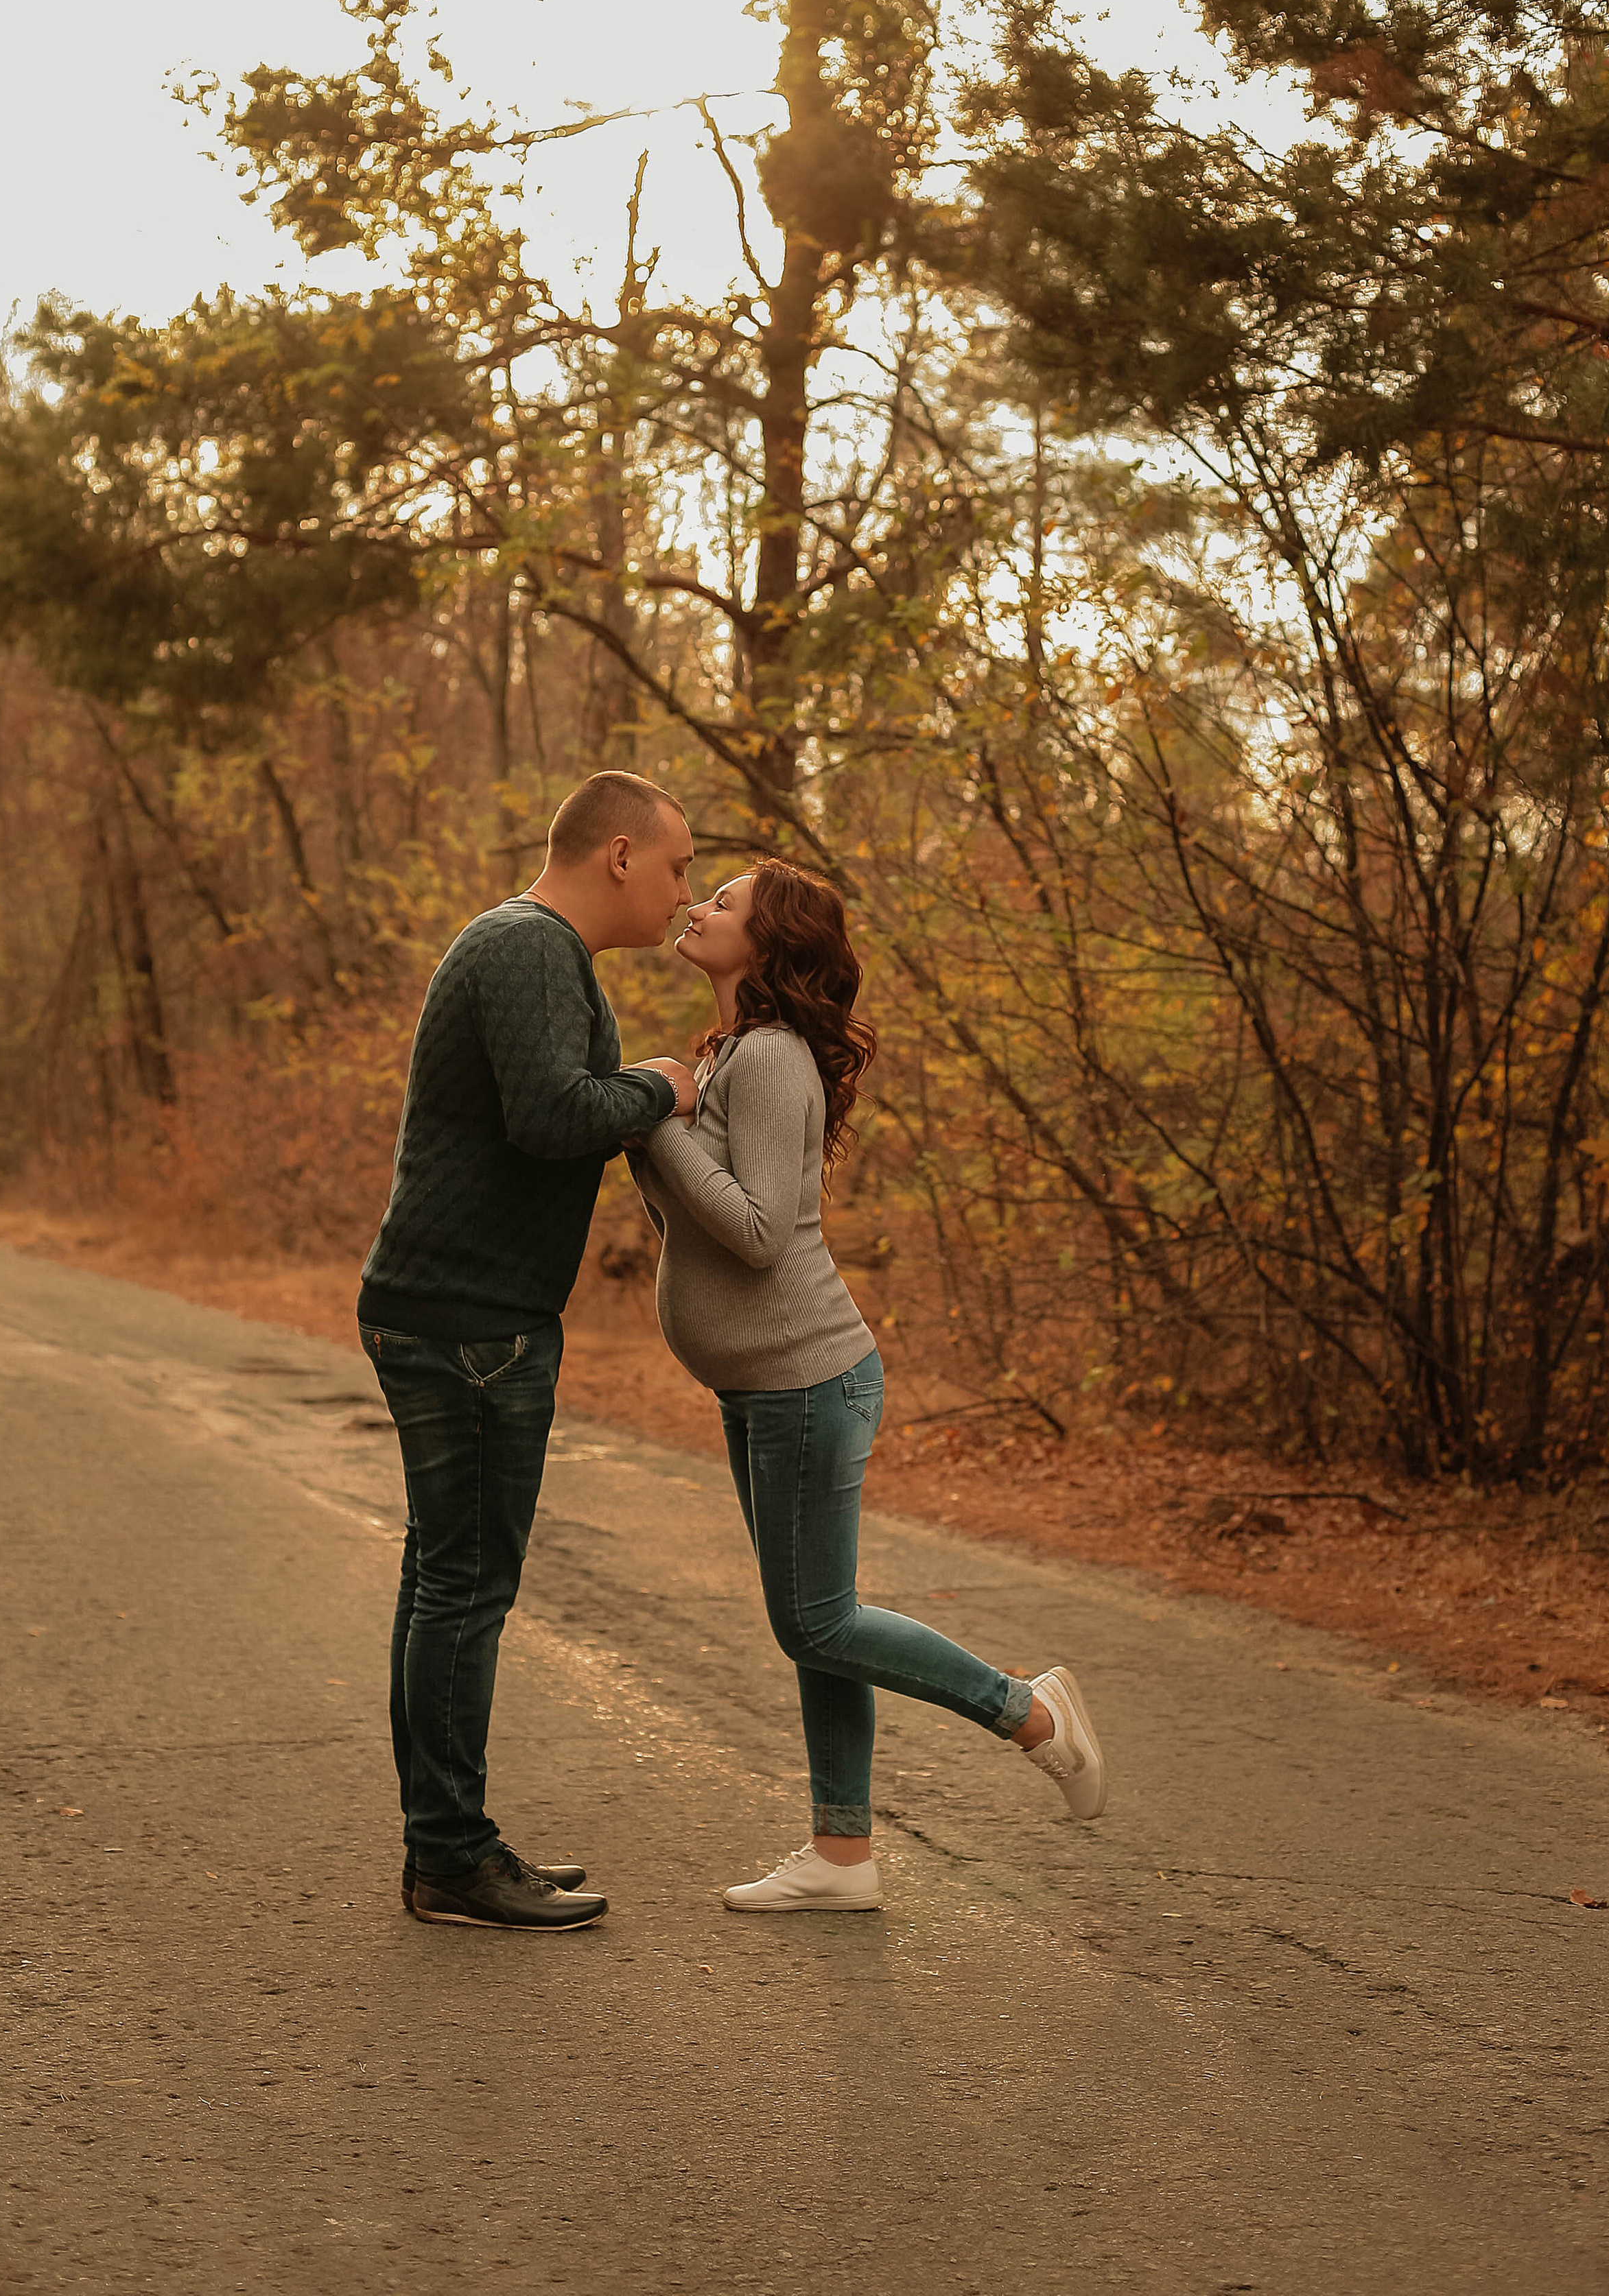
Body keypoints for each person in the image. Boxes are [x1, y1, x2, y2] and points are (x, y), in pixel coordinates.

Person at [628, 859, 1107, 1913]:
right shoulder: (730, 1053)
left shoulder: (768, 1059)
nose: (697, 906)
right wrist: (662, 1113)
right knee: (819, 1622)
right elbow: (686, 1228)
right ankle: (843, 1857)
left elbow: (759, 1235)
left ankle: (1031, 1713)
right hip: (766, 1386)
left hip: (806, 1380)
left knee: (816, 1621)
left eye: (723, 903)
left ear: (767, 943)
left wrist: (654, 1116)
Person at [357, 770, 699, 1930]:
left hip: (459, 1310)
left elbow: (546, 1107)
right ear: (619, 855)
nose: (682, 893)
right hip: (468, 1321)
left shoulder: (541, 953)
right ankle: (452, 1858)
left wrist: (633, 1086)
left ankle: (445, 1845)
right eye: (676, 868)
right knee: (464, 1587)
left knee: (443, 1580)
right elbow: (552, 1116)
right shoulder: (528, 948)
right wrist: (660, 1085)